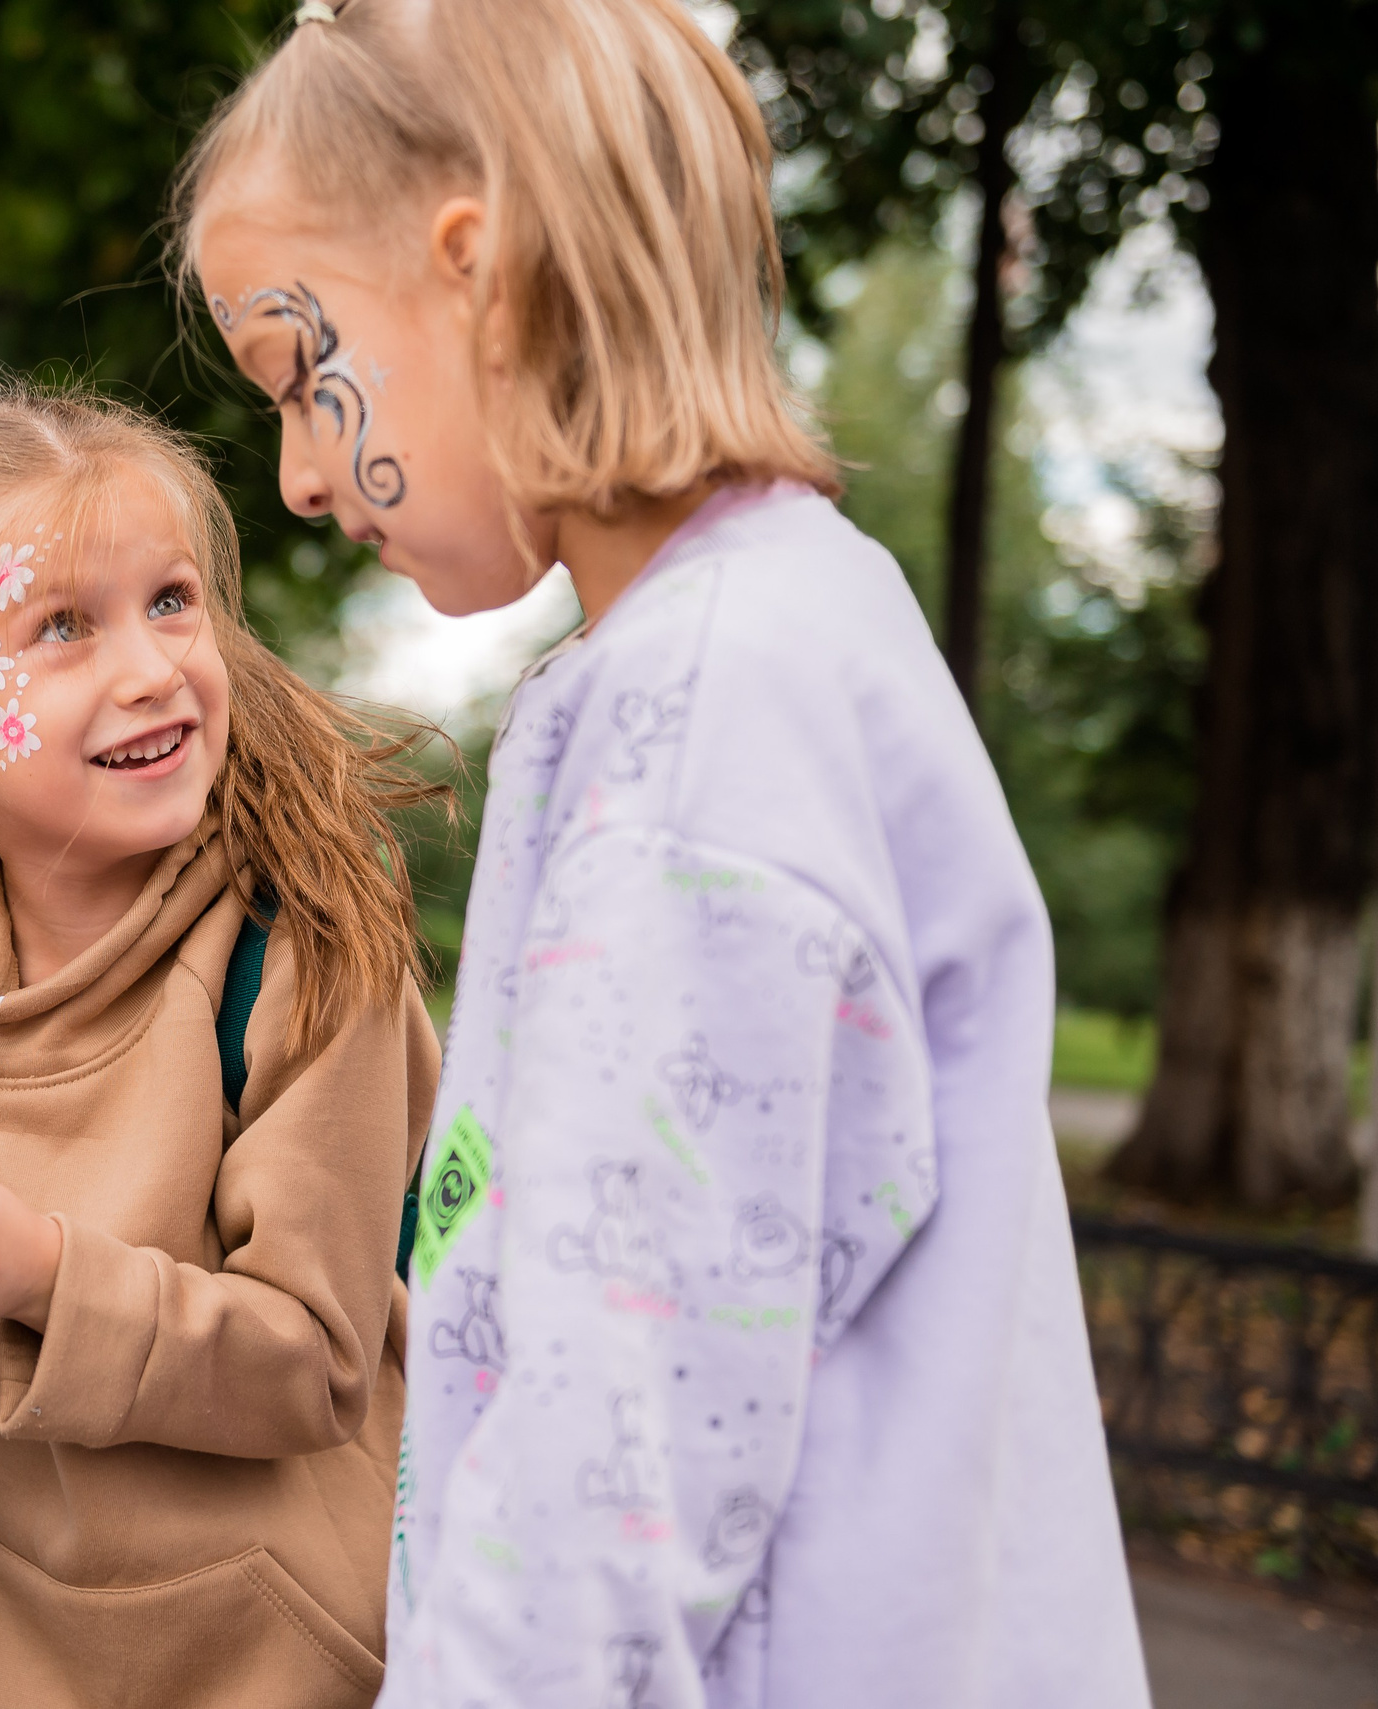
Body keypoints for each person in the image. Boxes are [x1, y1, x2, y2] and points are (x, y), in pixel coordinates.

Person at [176, 3, 1151, 1707]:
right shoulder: (781, 636)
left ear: (478, 273)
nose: (304, 477)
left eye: (300, 376)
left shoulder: (706, 720)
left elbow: (611, 1454)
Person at [0, 385, 442, 1709]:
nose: (149, 667)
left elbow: (313, 1360)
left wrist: (33, 1269)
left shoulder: (308, 945)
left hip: (276, 1656)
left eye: (172, 600)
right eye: (62, 627)